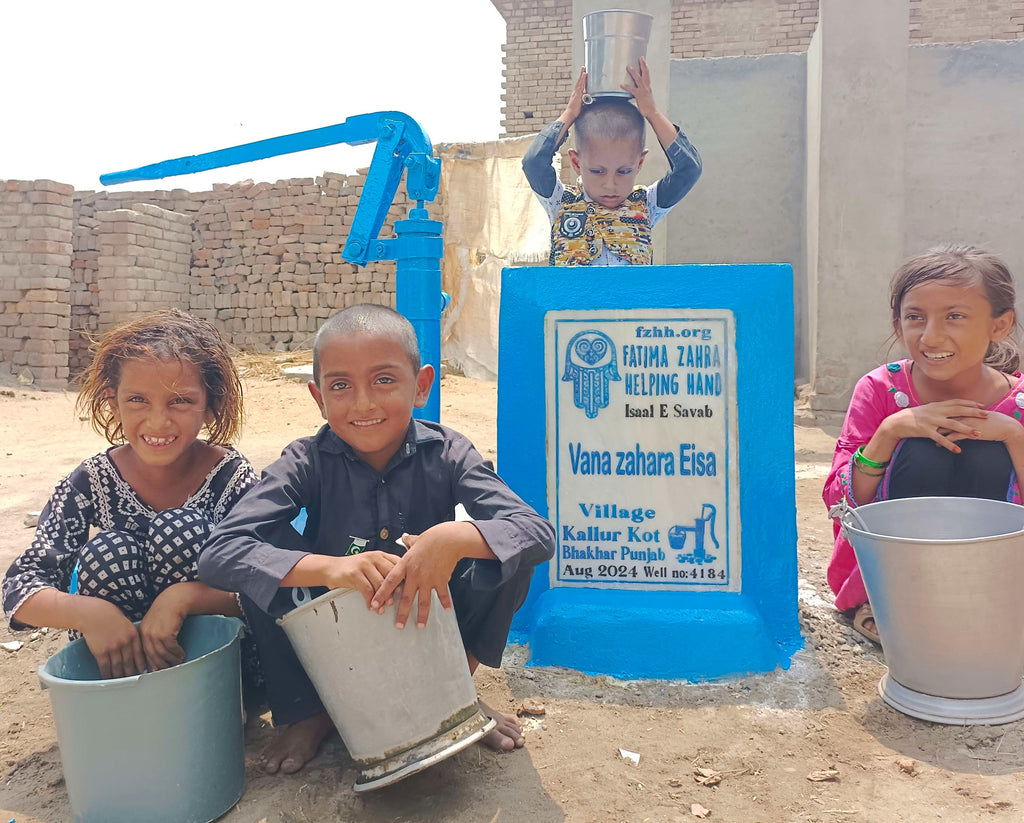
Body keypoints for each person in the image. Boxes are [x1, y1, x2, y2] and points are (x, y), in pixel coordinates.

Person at [198, 303, 556, 775]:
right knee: (264, 560)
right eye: (341, 386)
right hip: (334, 623)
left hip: (426, 612)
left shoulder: (449, 452)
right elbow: (220, 554)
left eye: (384, 380)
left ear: (421, 385)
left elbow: (535, 532)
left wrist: (453, 537)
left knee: (505, 550)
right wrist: (332, 568)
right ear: (318, 398)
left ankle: (452, 695)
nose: (363, 403)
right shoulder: (306, 460)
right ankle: (314, 712)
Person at [2, 309, 259, 681]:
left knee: (180, 530)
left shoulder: (231, 478)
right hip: (121, 664)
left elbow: (265, 582)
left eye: (180, 401)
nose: (157, 422)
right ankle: (126, 695)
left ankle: (209, 700)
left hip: (220, 669)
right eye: (138, 399)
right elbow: (20, 589)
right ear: (113, 401)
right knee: (108, 552)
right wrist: (89, 614)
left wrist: (183, 599)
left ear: (209, 406)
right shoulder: (90, 481)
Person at [824, 245, 1024, 643]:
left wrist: (1013, 436)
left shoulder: (1018, 405)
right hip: (893, 576)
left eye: (956, 316)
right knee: (920, 449)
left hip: (994, 577)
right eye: (915, 317)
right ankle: (888, 603)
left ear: (999, 326)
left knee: (985, 451)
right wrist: (890, 431)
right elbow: (839, 501)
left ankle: (978, 604)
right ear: (898, 325)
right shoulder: (880, 390)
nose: (931, 336)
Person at [522, 59, 702, 266]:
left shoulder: (647, 205)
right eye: (598, 171)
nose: (610, 184)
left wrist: (652, 112)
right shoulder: (560, 202)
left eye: (624, 171)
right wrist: (570, 113)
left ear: (640, 162)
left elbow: (689, 169)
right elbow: (534, 162)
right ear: (576, 162)